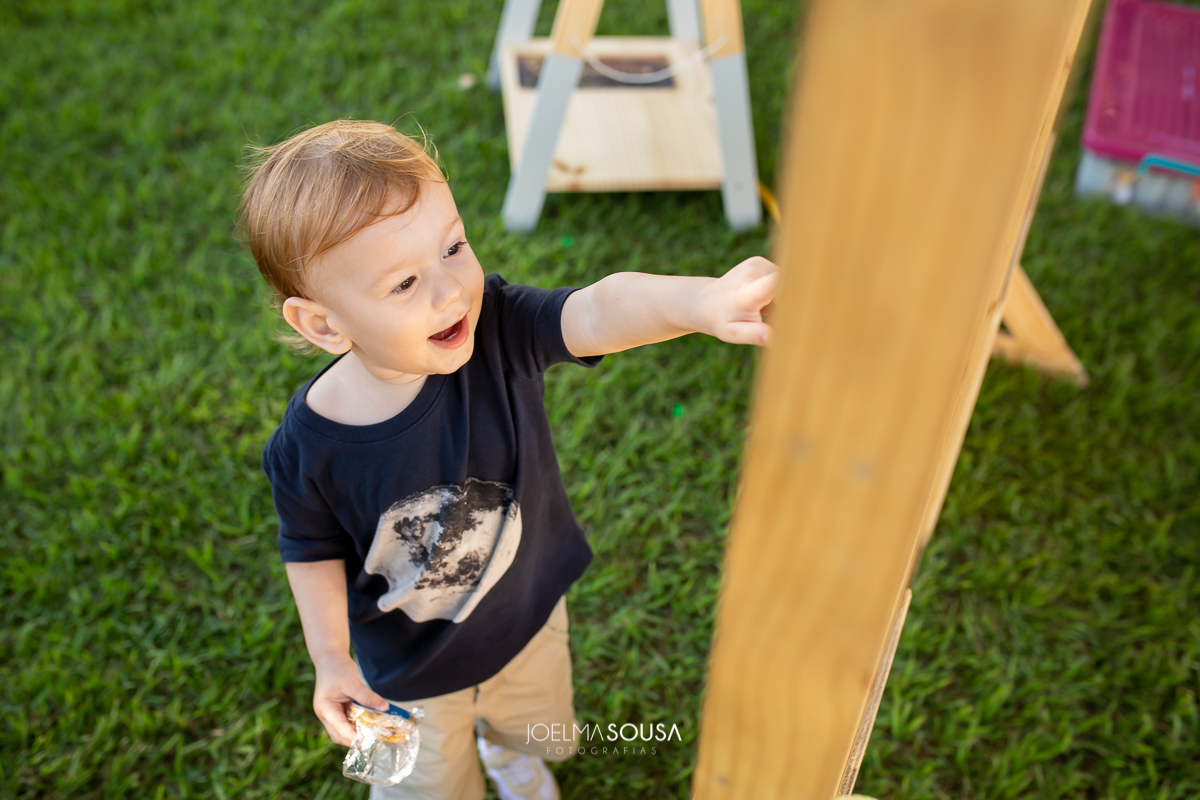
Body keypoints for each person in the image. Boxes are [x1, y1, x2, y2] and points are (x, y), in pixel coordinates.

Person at [239, 119, 778, 800]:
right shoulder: (309, 446)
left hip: (526, 616)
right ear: (324, 324)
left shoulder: (498, 328)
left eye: (453, 247)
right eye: (404, 284)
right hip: (403, 675)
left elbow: (600, 308)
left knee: (530, 725)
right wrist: (330, 658)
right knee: (422, 790)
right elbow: (310, 547)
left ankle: (512, 759)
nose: (449, 290)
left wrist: (701, 300)